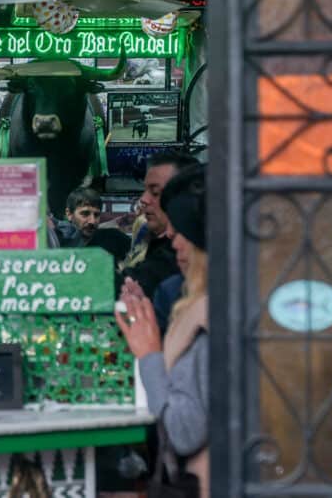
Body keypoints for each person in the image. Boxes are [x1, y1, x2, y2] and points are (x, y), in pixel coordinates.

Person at [116, 164, 210, 497]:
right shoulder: (190, 300)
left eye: (182, 229)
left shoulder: (209, 319)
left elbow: (184, 431)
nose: (172, 237)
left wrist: (149, 353)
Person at [119, 150, 201, 302]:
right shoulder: (148, 240)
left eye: (155, 192)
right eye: (145, 190)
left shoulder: (172, 260)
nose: (143, 199)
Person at [55, 187, 131, 265]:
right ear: (69, 214)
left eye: (96, 215)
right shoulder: (58, 243)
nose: (92, 221)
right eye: (85, 214)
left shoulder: (114, 238)